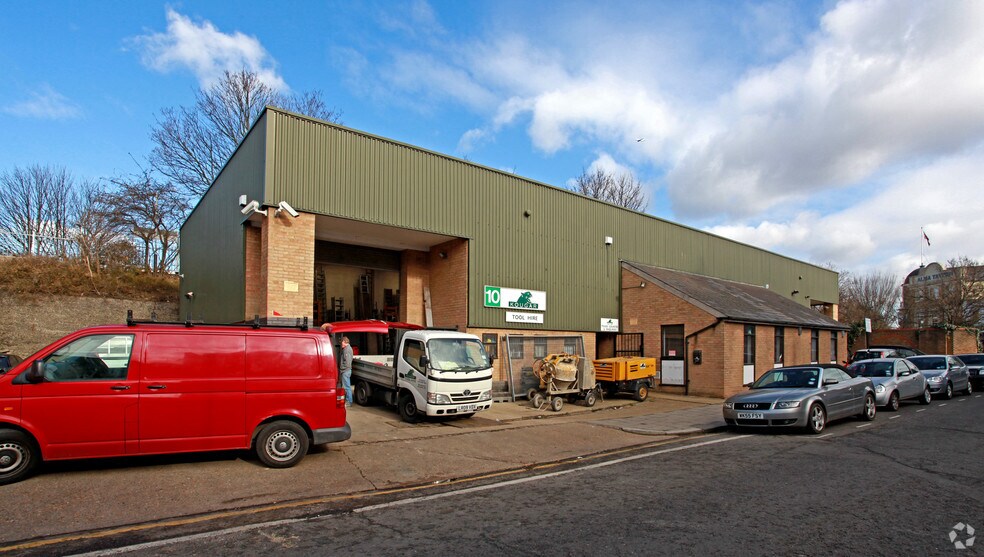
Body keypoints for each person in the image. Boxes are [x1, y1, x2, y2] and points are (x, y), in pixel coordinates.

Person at [338, 336, 353, 407]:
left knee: (347, 387)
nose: (341, 344)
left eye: (342, 342)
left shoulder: (347, 350)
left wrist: (341, 369)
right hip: (346, 371)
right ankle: (348, 400)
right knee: (347, 386)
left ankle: (349, 402)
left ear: (344, 342)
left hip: (345, 371)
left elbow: (347, 363)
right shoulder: (346, 349)